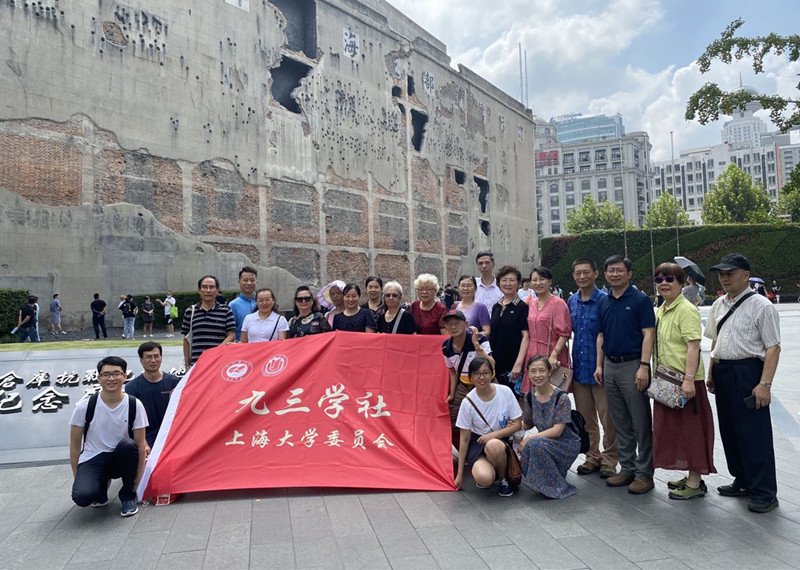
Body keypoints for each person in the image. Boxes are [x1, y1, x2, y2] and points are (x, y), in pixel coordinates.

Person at [705, 253, 781, 513]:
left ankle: (764, 492)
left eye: (730, 273)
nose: (724, 278)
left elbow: (773, 347)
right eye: (721, 274)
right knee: (731, 430)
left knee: (754, 433)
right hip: (723, 371)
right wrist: (711, 371)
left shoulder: (762, 306)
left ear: (746, 275)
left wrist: (765, 384)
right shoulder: (719, 304)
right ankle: (743, 480)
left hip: (748, 372)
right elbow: (715, 340)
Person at [651, 262, 716, 500]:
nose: (664, 283)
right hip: (667, 381)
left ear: (681, 282)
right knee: (674, 430)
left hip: (685, 381)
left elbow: (693, 347)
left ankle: (695, 481)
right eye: (659, 280)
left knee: (691, 431)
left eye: (670, 279)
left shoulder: (686, 309)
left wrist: (688, 381)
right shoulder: (663, 309)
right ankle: (690, 474)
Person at [594, 255, 656, 494]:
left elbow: (648, 334)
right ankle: (627, 467)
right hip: (610, 365)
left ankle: (644, 473)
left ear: (629, 274)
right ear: (605, 274)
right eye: (611, 270)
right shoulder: (604, 301)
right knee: (620, 420)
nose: (615, 274)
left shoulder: (640, 300)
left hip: (633, 365)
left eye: (619, 270)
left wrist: (644, 366)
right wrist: (600, 366)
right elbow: (601, 335)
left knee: (640, 421)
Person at [69, 356, 148, 517]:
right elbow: (75, 446)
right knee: (82, 497)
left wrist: (136, 485)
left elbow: (140, 445)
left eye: (116, 373)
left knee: (128, 445)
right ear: (98, 378)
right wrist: (79, 478)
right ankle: (100, 488)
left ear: (124, 376)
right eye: (106, 374)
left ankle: (127, 497)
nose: (111, 378)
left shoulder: (134, 405)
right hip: (93, 457)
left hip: (120, 457)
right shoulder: (83, 407)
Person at [567, 258, 617, 479]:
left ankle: (610, 459)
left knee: (608, 418)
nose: (582, 277)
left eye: (586, 272)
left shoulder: (605, 300)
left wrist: (601, 365)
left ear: (596, 273)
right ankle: (592, 456)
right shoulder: (572, 301)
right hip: (579, 368)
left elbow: (607, 334)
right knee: (586, 418)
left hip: (600, 370)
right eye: (578, 273)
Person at [453, 358, 522, 497]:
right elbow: (464, 440)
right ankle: (491, 469)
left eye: (485, 373)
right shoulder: (467, 402)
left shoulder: (505, 392)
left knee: (493, 444)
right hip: (477, 443)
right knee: (484, 479)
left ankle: (503, 479)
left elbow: (517, 423)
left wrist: (492, 436)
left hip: (499, 441)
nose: (481, 377)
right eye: (476, 374)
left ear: (492, 374)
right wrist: (459, 475)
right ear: (471, 377)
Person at [520, 355, 581, 498]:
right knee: (533, 444)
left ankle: (556, 488)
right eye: (533, 371)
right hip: (544, 441)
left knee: (534, 444)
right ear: (528, 373)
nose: (537, 375)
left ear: (549, 372)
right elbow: (527, 423)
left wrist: (530, 438)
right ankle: (545, 483)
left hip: (565, 443)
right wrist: (512, 425)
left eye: (541, 370)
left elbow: (557, 431)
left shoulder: (561, 398)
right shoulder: (529, 396)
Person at [442, 310, 494, 446]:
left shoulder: (480, 339)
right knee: (454, 418)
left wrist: (476, 345)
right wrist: (452, 394)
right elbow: (453, 372)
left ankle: (489, 446)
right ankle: (468, 448)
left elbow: (491, 364)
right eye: (449, 324)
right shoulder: (446, 347)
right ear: (446, 327)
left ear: (465, 324)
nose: (453, 327)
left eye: (457, 323)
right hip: (464, 385)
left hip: (486, 384)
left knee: (489, 416)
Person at [520, 267, 572, 394]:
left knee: (553, 394)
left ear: (550, 281)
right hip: (533, 352)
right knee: (534, 394)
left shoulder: (558, 303)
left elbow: (565, 333)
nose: (538, 283)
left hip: (552, 352)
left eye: (542, 279)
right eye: (534, 280)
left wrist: (554, 355)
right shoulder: (531, 303)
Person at [125, 342, 181, 449]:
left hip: (171, 434)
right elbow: (132, 421)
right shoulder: (132, 387)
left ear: (161, 358)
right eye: (148, 357)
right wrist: (143, 443)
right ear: (141, 360)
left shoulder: (174, 382)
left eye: (156, 356)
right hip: (146, 436)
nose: (153, 360)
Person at [489, 265, 529, 391]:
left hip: (513, 363)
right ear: (499, 283)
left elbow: (526, 336)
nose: (508, 284)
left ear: (518, 283)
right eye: (504, 280)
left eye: (512, 280)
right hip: (495, 363)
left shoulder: (522, 307)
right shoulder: (496, 307)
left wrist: (518, 364)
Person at [181, 275, 236, 368]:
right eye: (204, 287)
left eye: (212, 287)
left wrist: (214, 352)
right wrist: (187, 366)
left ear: (217, 290)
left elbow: (231, 335)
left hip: (219, 364)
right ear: (199, 290)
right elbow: (186, 340)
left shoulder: (226, 310)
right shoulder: (190, 311)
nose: (208, 290)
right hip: (197, 365)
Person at [229, 266, 258, 342]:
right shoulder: (233, 305)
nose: (249, 283)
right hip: (242, 346)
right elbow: (230, 332)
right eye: (245, 280)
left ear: (256, 282)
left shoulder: (263, 302)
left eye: (252, 280)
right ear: (239, 282)